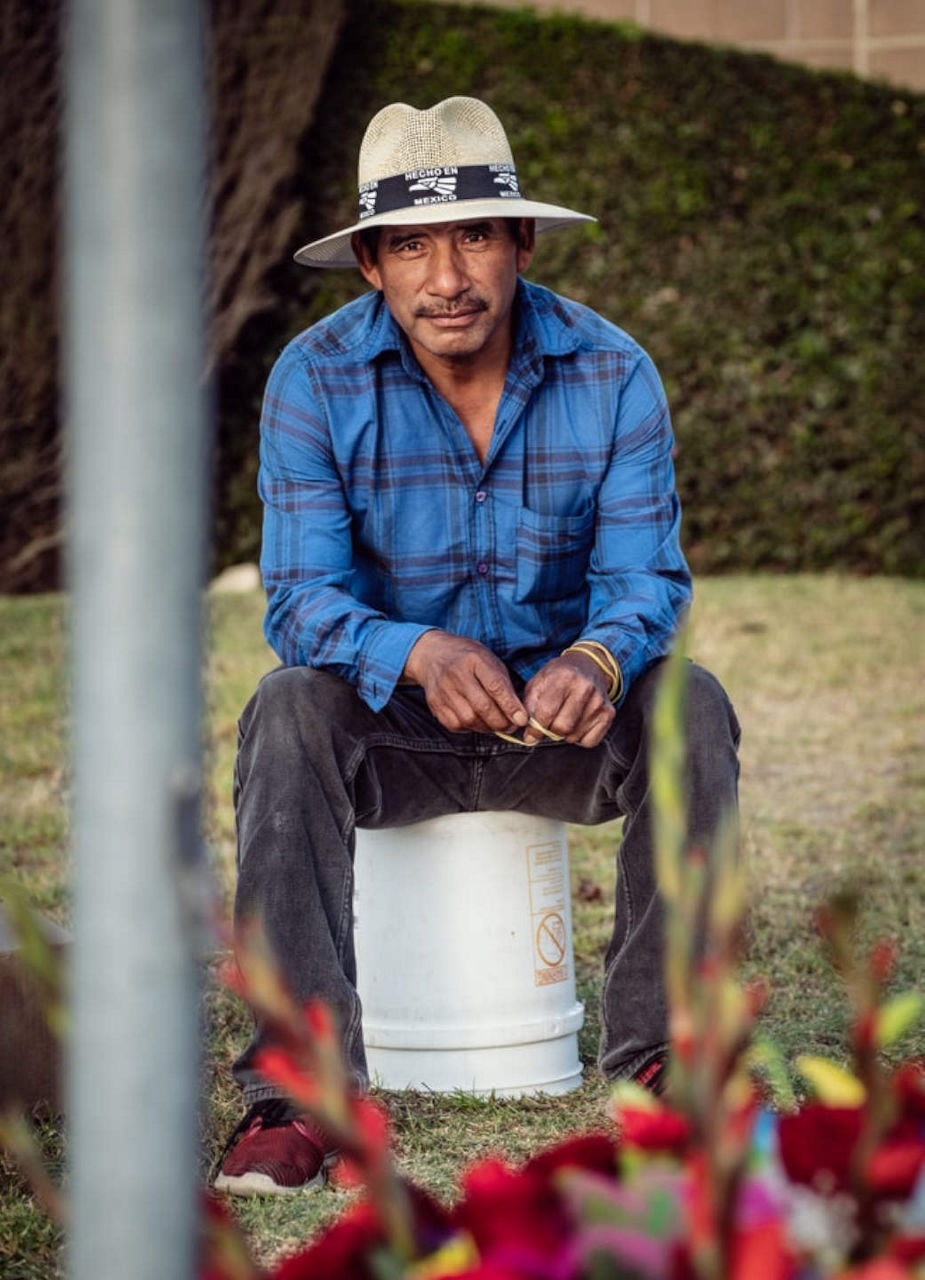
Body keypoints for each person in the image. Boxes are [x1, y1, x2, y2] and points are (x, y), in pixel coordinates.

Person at [214, 96, 740, 1197]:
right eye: (411, 244)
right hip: (394, 727)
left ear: (521, 244)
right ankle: (296, 1095)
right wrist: (414, 651)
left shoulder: (611, 371)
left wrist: (599, 658)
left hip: (564, 722)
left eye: (473, 236)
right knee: (285, 705)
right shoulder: (312, 380)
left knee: (690, 702)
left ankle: (661, 1059)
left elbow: (646, 579)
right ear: (369, 263)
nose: (445, 275)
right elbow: (300, 599)